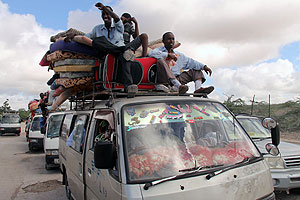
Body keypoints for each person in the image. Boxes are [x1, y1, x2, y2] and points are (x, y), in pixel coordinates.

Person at [66, 3, 147, 95]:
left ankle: (128, 86)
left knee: (124, 56)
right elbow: (86, 37)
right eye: (103, 14)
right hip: (107, 51)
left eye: (107, 14)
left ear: (111, 15)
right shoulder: (97, 29)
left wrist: (104, 8)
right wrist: (74, 36)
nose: (105, 15)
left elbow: (116, 18)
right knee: (99, 41)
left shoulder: (118, 26)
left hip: (120, 50)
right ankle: (124, 52)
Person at [148, 32, 214, 94]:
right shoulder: (159, 50)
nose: (171, 41)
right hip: (165, 80)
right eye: (169, 39)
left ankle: (198, 90)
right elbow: (151, 53)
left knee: (196, 70)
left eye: (173, 39)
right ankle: (178, 86)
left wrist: (204, 67)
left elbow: (191, 62)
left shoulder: (179, 55)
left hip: (178, 78)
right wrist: (167, 55)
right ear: (163, 41)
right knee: (160, 61)